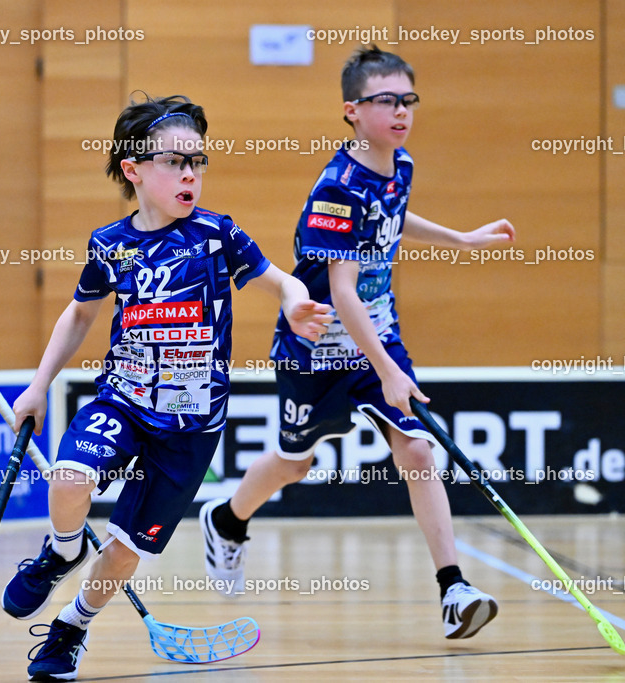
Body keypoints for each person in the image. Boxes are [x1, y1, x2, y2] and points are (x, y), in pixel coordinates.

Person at [4, 94, 332, 681]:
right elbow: (79, 315)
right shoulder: (110, 244)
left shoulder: (217, 235)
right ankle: (61, 547)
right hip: (124, 400)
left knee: (129, 548)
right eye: (174, 162)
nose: (190, 174)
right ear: (133, 170)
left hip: (191, 429)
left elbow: (279, 280)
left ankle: (70, 628)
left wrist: (296, 300)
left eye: (198, 162)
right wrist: (37, 385)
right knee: (70, 477)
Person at [200, 45, 515, 640]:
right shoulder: (337, 188)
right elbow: (342, 290)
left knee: (418, 451)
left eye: (408, 100)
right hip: (316, 347)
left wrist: (461, 239)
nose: (401, 112)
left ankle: (453, 588)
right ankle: (226, 518)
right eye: (386, 101)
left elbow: (395, 218)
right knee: (296, 463)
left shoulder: (400, 166)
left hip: (378, 339)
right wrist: (391, 374)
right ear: (352, 110)